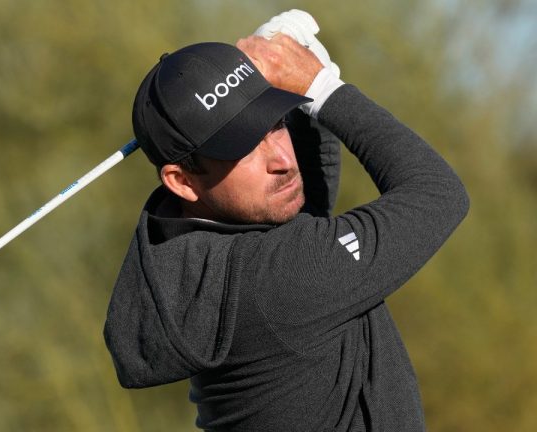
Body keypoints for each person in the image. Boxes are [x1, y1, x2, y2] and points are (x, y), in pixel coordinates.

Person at [103, 25, 469, 431]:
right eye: (243, 147)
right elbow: (437, 194)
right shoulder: (275, 279)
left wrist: (294, 80)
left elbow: (304, 208)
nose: (282, 159)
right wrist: (322, 87)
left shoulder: (195, 258)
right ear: (183, 180)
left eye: (275, 123)